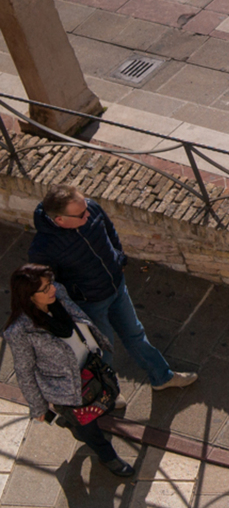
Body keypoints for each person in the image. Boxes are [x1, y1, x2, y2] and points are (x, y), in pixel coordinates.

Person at [30, 185, 196, 392]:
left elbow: (110, 230)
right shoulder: (42, 249)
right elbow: (50, 285)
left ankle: (162, 377)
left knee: (135, 334)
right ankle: (107, 392)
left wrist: (119, 259)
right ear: (60, 220)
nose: (88, 214)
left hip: (116, 287)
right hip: (90, 302)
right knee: (103, 350)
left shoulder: (90, 208)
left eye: (86, 207)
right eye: (81, 214)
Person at [5, 264, 137, 476]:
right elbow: (24, 371)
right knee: (89, 428)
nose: (53, 289)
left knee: (106, 402)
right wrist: (38, 406)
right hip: (66, 389)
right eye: (45, 288)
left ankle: (69, 421)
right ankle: (108, 457)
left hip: (91, 365)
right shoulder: (19, 331)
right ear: (29, 296)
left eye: (50, 283)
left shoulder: (58, 295)